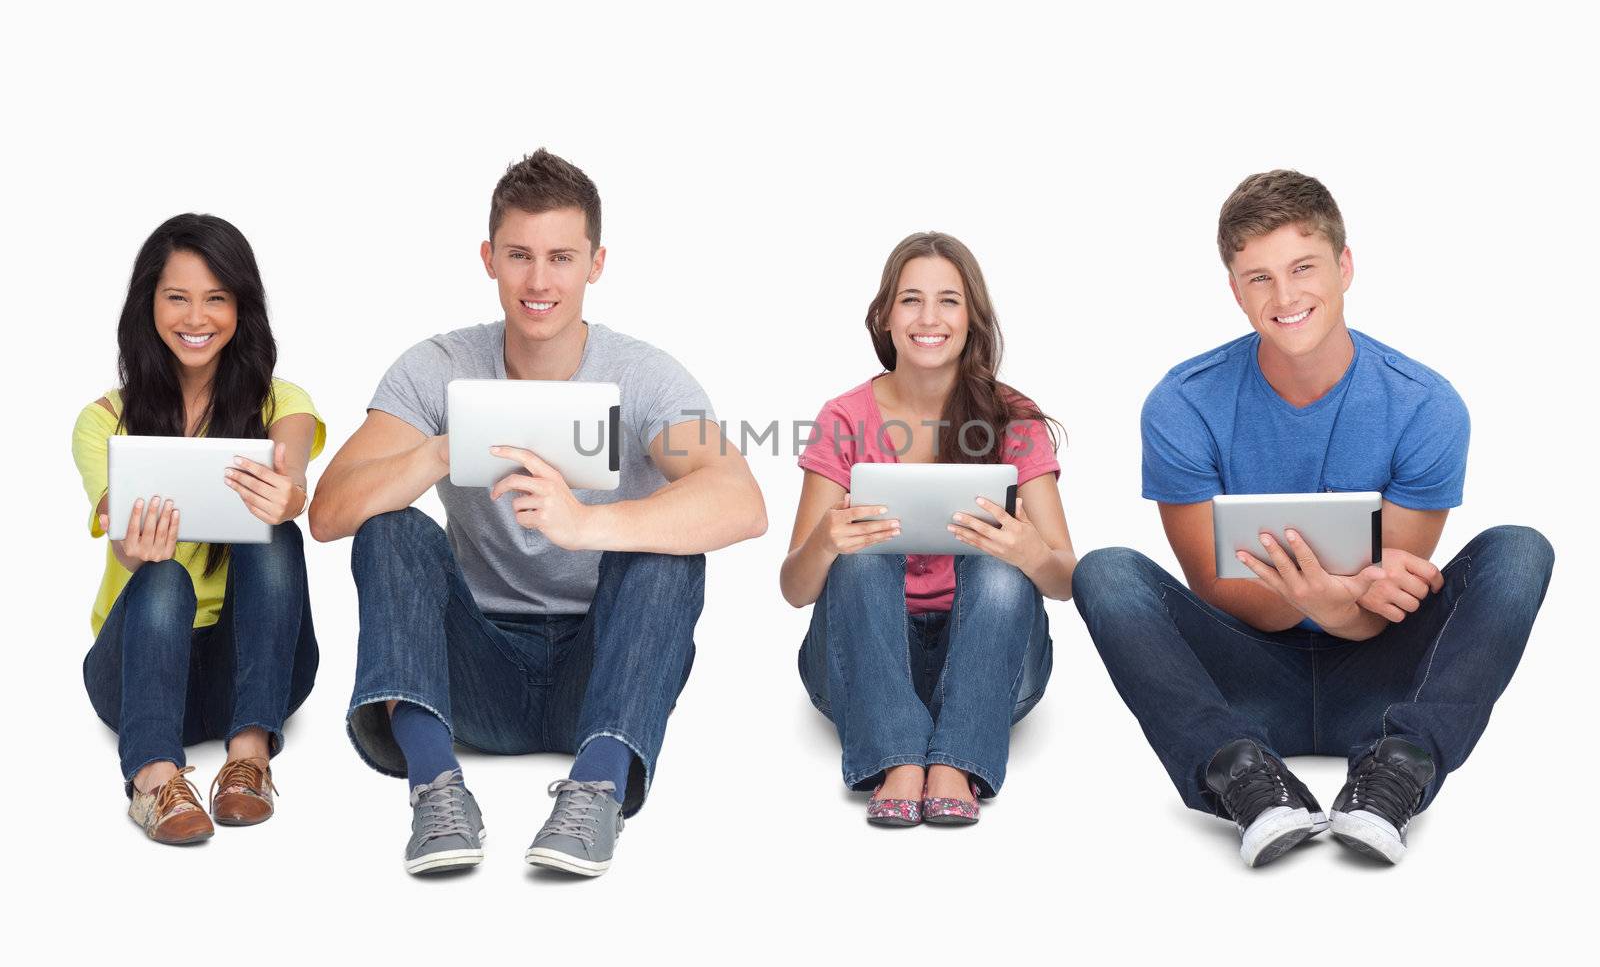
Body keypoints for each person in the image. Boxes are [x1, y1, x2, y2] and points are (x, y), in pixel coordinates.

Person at [1071, 170, 1554, 866]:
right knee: (1108, 572)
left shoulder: (1427, 405)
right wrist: (1322, 594)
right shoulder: (1181, 403)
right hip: (1246, 676)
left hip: (1382, 674)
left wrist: (1332, 602)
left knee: (1519, 551)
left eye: (1303, 267)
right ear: (1235, 290)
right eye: (1259, 278)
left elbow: (1393, 600)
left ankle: (1399, 766)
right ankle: (1241, 773)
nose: (1285, 296)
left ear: (1345, 265)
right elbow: (1214, 584)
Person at [309, 149, 766, 877]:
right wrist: (439, 451)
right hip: (476, 671)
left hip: (606, 669)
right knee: (391, 525)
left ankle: (599, 786)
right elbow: (329, 512)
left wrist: (587, 524)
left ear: (596, 262)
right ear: (489, 258)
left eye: (561, 256)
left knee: (670, 546)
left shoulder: (645, 375)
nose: (539, 280)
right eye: (519, 255)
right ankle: (434, 786)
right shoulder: (435, 367)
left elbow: (742, 501)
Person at [780, 231, 1075, 827]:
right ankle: (898, 756)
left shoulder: (1011, 415)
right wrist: (826, 541)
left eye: (948, 301)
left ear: (972, 319)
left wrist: (1029, 551)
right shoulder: (844, 417)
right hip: (862, 667)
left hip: (989, 666)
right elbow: (795, 588)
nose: (929, 318)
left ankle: (956, 759)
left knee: (1001, 562)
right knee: (861, 556)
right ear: (886, 317)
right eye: (911, 300)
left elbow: (1066, 579)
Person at [73, 213, 323, 845]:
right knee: (163, 576)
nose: (196, 318)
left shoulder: (278, 401)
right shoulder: (103, 422)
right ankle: (155, 780)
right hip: (140, 668)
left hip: (253, 669)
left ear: (242, 309)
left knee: (277, 538)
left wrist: (287, 494)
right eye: (177, 297)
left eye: (217, 299)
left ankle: (248, 759)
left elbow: (290, 471)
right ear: (148, 305)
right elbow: (120, 534)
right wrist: (135, 552)